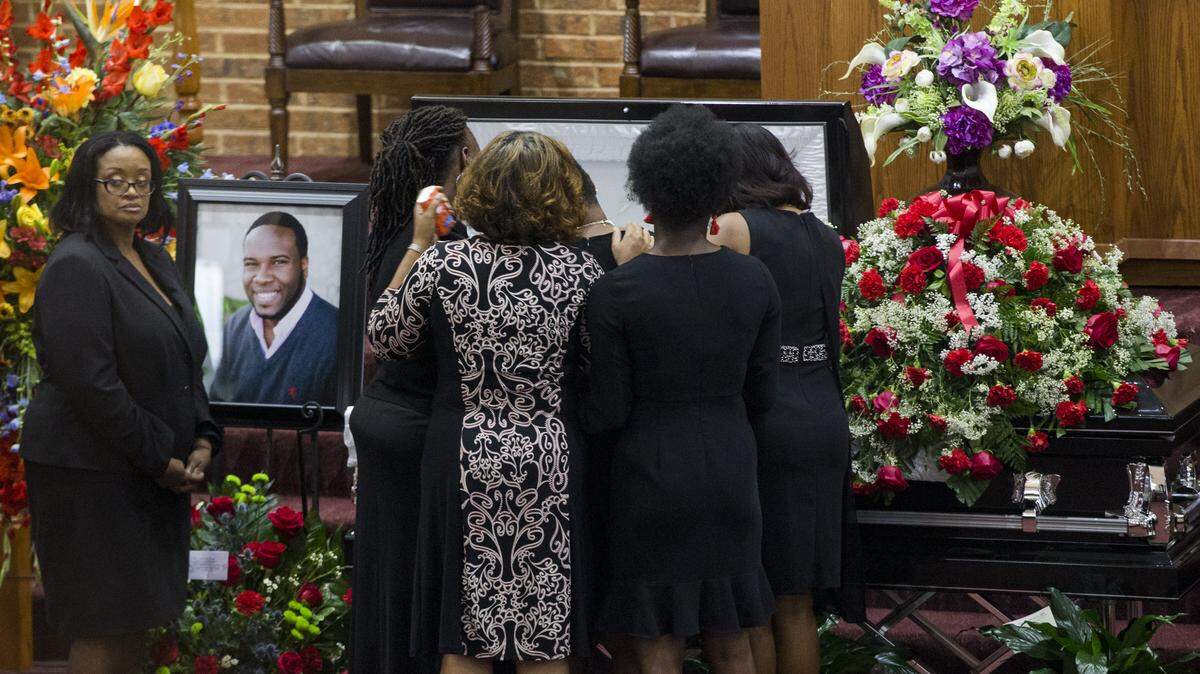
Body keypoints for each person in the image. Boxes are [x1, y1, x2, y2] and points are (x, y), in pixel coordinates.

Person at [367, 131, 603, 673]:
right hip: (549, 460)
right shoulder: (581, 273)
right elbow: (596, 368)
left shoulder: (445, 265)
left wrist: (420, 244)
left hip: (462, 457)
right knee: (546, 642)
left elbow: (387, 338)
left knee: (465, 640)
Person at [581, 104, 781, 674]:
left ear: (648, 194)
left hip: (649, 474)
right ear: (718, 193)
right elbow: (763, 395)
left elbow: (609, 407)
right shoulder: (755, 278)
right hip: (729, 463)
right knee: (730, 630)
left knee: (657, 636)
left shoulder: (617, 292)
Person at [20, 130, 221, 673]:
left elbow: (187, 355)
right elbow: (92, 386)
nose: (132, 192)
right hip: (89, 475)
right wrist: (161, 457)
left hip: (138, 470)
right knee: (102, 625)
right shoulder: (75, 265)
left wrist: (203, 436)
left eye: (143, 181)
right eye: (116, 181)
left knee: (135, 623)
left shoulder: (153, 257)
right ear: (90, 188)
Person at [711, 123, 860, 674]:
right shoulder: (823, 234)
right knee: (795, 603)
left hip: (766, 419)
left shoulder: (733, 228)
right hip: (823, 413)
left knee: (754, 602)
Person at [350, 105, 478, 674]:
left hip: (385, 420)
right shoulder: (438, 246)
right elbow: (388, 332)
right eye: (473, 152)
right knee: (415, 586)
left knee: (387, 582)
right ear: (461, 163)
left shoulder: (392, 228)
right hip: (419, 431)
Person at [209, 211, 338, 405]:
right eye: (251, 264)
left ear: (304, 265)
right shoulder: (235, 327)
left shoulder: (337, 334)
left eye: (278, 262)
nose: (262, 277)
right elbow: (218, 409)